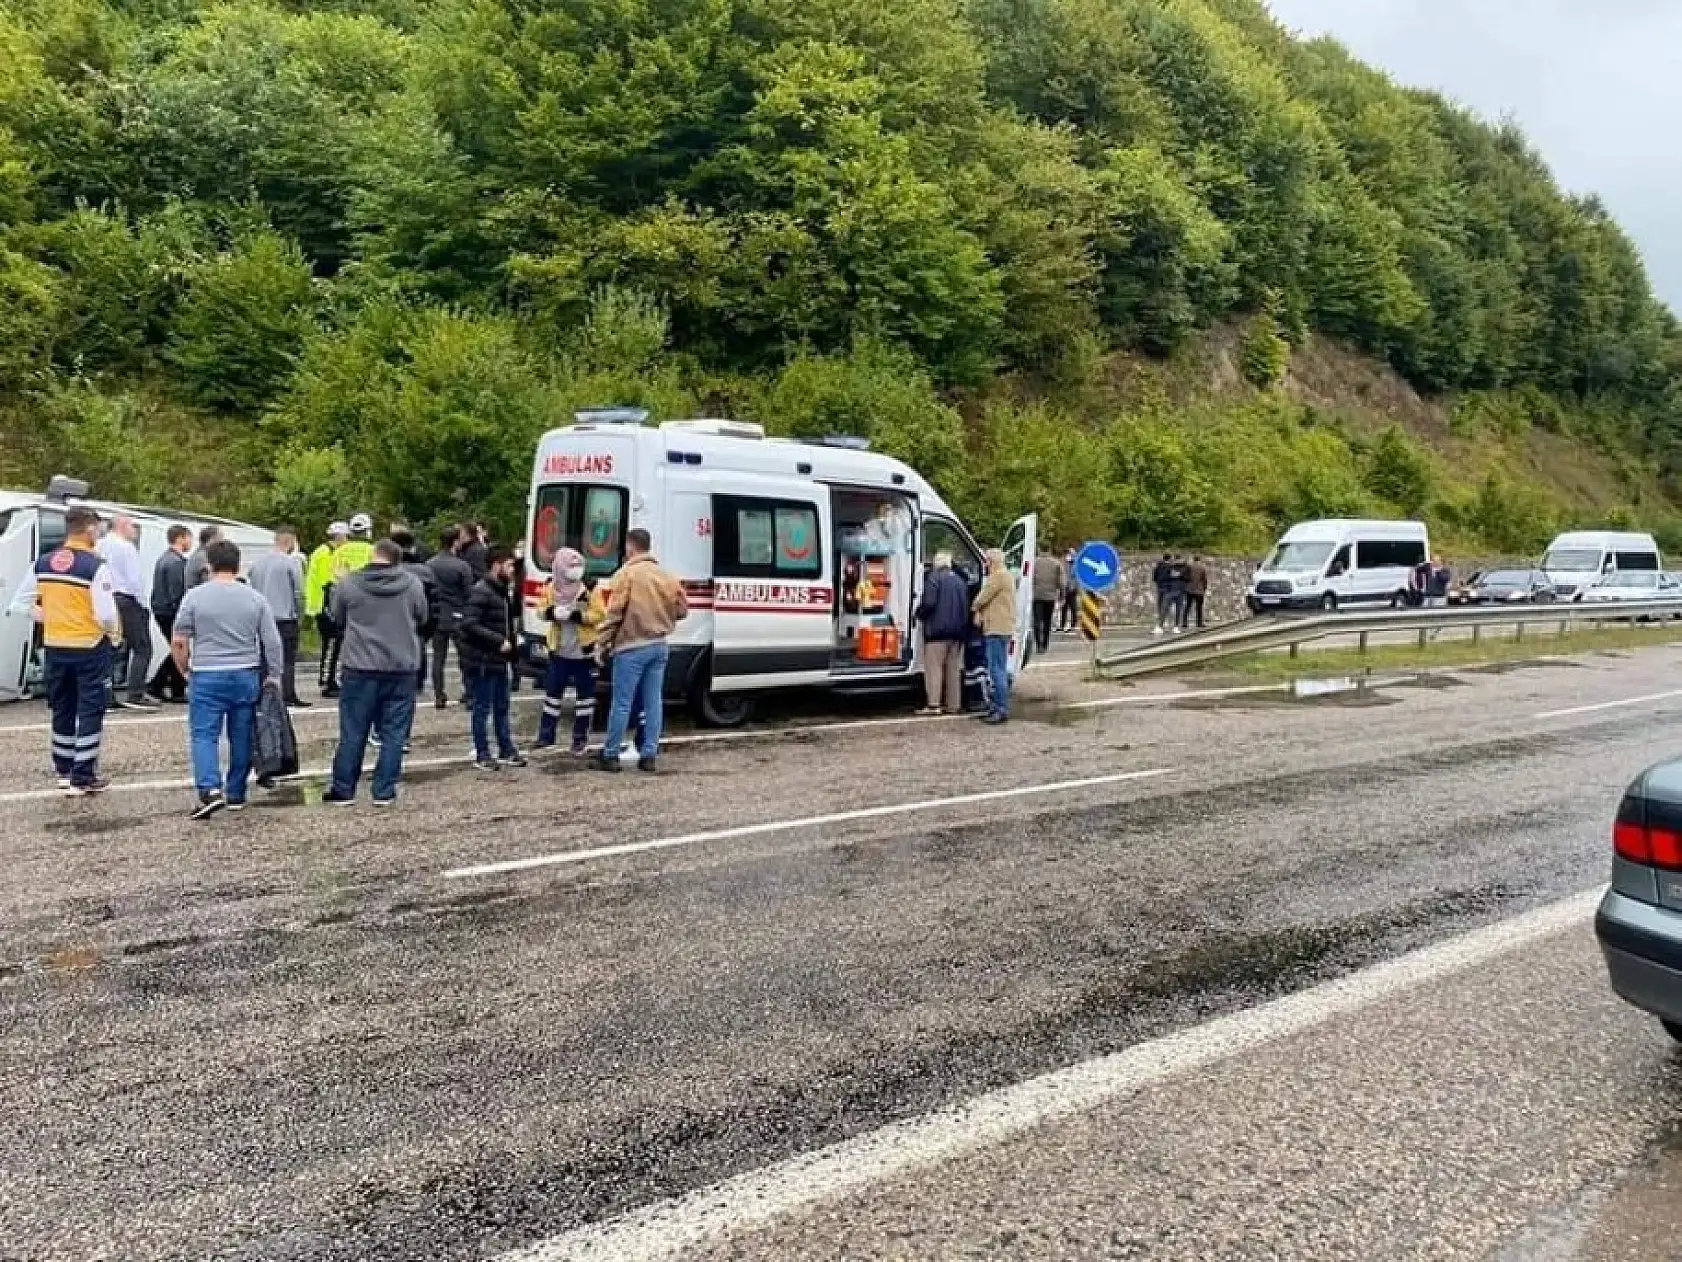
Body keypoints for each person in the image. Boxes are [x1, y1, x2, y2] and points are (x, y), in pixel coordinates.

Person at [171, 539, 284, 820]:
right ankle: (236, 792)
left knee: (204, 735)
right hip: (245, 672)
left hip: (208, 673)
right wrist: (274, 674)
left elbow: (179, 640)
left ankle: (210, 789)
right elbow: (272, 642)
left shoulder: (195, 597)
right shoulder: (255, 598)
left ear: (209, 565)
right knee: (242, 734)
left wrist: (185, 670)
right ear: (238, 565)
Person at [10, 506, 120, 795]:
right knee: (91, 708)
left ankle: (63, 769)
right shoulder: (95, 567)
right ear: (89, 530)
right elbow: (106, 613)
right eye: (97, 530)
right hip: (89, 646)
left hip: (55, 645)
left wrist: (51, 617)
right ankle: (83, 775)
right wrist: (112, 632)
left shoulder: (43, 563)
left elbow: (19, 604)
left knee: (62, 707)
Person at [322, 539, 430, 806]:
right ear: (398, 560)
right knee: (394, 733)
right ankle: (384, 790)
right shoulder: (412, 584)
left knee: (353, 730)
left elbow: (336, 617)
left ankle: (344, 789)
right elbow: (423, 617)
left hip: (360, 666)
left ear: (374, 555)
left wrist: (338, 584)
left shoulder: (350, 584)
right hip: (401, 666)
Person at [594, 528, 687, 774]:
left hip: (631, 647)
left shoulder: (626, 576)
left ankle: (611, 754)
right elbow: (682, 610)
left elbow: (615, 613)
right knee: (653, 702)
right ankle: (649, 755)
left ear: (630, 547)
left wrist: (601, 642)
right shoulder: (667, 576)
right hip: (659, 645)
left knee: (622, 703)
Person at [458, 546, 528, 771]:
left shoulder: (501, 591)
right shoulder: (482, 591)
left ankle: (506, 748)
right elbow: (469, 624)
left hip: (499, 660)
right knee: (482, 708)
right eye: (509, 565)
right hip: (483, 660)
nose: (512, 570)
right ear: (496, 565)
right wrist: (498, 640)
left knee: (502, 706)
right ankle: (482, 753)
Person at [536, 547, 605, 755]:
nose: (575, 571)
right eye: (571, 566)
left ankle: (579, 739)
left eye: (578, 566)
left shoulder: (590, 589)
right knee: (552, 696)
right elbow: (540, 610)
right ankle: (546, 736)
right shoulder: (550, 588)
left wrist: (578, 616)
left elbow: (600, 614)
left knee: (585, 699)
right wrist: (552, 612)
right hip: (559, 652)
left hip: (584, 654)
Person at [98, 514, 157, 711]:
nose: (135, 530)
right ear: (122, 526)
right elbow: (134, 581)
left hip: (107, 597)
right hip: (126, 600)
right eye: (132, 525)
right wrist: (143, 604)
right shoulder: (126, 548)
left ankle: (105, 692)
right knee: (142, 647)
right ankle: (136, 692)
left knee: (111, 647)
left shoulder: (100, 544)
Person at [248, 527, 307, 707]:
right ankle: (287, 694)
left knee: (264, 656)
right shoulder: (291, 563)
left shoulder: (257, 563)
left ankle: (262, 693)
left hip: (261, 617)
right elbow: (298, 592)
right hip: (285, 617)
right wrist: (300, 614)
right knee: (287, 658)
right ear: (291, 542)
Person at [319, 513, 376, 697]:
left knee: (339, 644)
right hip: (367, 605)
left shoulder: (340, 551)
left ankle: (331, 681)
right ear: (367, 531)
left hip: (345, 602)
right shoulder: (372, 551)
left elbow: (334, 578)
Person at [915, 551, 969, 716]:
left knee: (934, 668)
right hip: (957, 632)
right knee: (953, 669)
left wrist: (919, 613)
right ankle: (953, 705)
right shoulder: (960, 581)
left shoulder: (934, 578)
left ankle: (933, 705)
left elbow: (929, 603)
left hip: (937, 632)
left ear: (936, 564)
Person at [428, 525, 475, 709]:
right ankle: (469, 693)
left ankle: (439, 694)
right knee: (465, 657)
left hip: (438, 615)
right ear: (455, 542)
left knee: (438, 658)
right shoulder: (462, 566)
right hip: (458, 615)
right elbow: (469, 593)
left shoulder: (430, 564)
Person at [393, 528, 440, 703]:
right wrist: (429, 626)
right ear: (412, 548)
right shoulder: (425, 571)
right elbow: (434, 602)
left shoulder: (389, 571)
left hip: (393, 624)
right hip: (418, 623)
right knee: (419, 649)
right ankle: (418, 680)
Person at [972, 548, 1017, 725]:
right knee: (999, 667)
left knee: (996, 670)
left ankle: (1000, 708)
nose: (986, 565)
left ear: (992, 562)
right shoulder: (1006, 576)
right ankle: (998, 704)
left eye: (987, 562)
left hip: (996, 628)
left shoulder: (998, 576)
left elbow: (983, 597)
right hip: (1002, 627)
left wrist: (975, 608)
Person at [148, 524, 193, 703]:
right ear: (181, 538)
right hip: (170, 611)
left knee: (177, 648)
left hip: (161, 608)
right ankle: (161, 685)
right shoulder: (175, 562)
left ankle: (171, 686)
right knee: (180, 648)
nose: (191, 542)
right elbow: (177, 591)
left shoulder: (164, 559)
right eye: (189, 538)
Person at [1031, 545, 1062, 654]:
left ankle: (1038, 644)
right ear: (1049, 550)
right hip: (1050, 597)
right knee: (1047, 621)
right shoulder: (1056, 563)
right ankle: (1045, 644)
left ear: (1039, 549)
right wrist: (1061, 595)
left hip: (1037, 596)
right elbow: (1060, 582)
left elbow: (1030, 579)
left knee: (1037, 620)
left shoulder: (1034, 563)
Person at [185, 524, 222, 590]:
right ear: (211, 540)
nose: (222, 543)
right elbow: (210, 584)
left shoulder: (199, 554)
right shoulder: (202, 558)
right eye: (220, 538)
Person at [1182, 555, 1210, 630]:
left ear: (1193, 559)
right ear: (1199, 560)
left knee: (1188, 606)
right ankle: (1199, 623)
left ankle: (1184, 622)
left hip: (1190, 589)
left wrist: (1186, 585)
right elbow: (1204, 580)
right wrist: (1204, 588)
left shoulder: (1189, 566)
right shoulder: (1202, 567)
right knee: (1199, 607)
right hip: (1199, 590)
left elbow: (1184, 577)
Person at [1151, 554, 1173, 635]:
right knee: (1166, 605)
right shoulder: (1171, 567)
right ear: (1169, 559)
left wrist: (1158, 582)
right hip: (1167, 588)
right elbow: (1171, 577)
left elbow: (1154, 578)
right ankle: (1164, 621)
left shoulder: (1158, 567)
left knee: (1160, 604)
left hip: (1159, 587)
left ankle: (1161, 619)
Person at [1058, 547, 1079, 632]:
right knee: (1064, 608)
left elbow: (1076, 577)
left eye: (1071, 553)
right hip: (1065, 589)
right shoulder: (1064, 564)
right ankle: (1062, 625)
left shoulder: (1076, 564)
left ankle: (1073, 624)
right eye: (1068, 553)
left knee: (1073, 608)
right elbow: (1062, 576)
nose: (1069, 555)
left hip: (1072, 589)